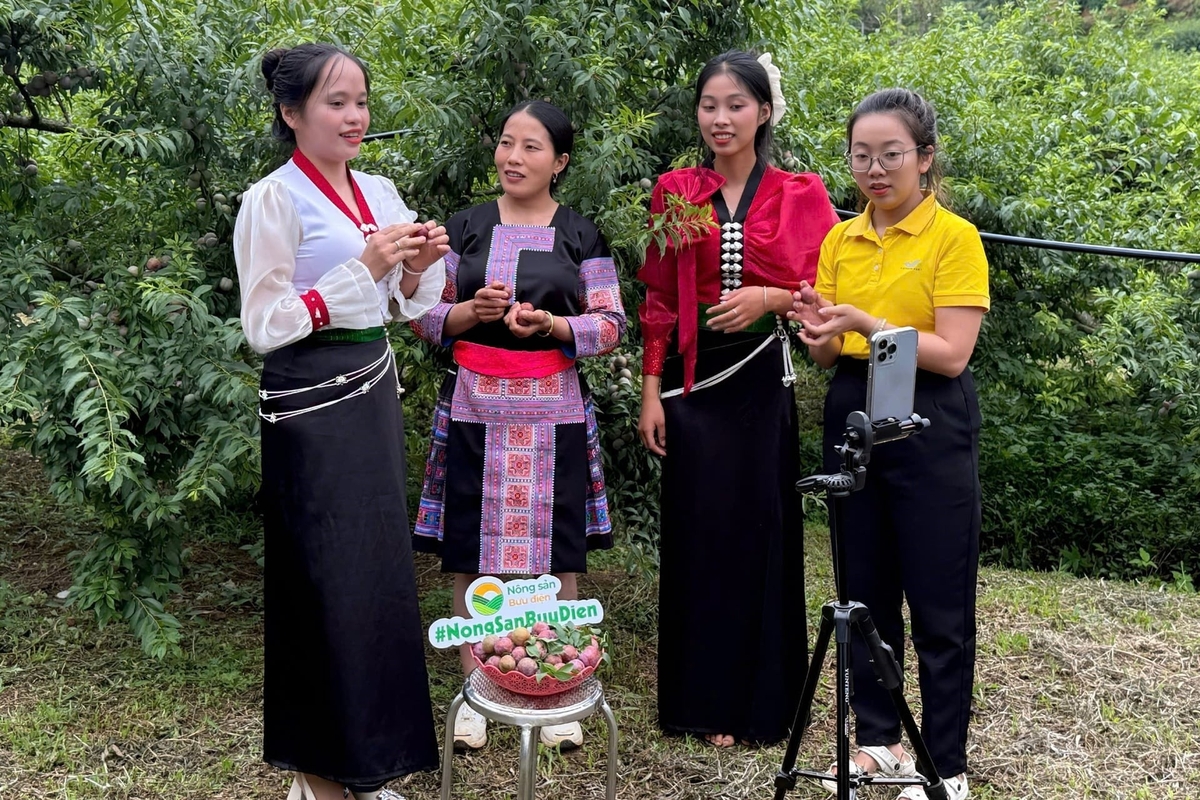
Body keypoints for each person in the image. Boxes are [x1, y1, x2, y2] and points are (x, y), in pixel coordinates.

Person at [233, 43, 448, 800]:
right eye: (336, 102)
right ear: (292, 113)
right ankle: (317, 774)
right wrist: (361, 270)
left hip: (370, 389)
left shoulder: (380, 190)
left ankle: (365, 766)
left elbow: (404, 307)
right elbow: (263, 323)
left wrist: (415, 266)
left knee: (375, 576)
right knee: (319, 577)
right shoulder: (273, 199)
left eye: (360, 101)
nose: (355, 116)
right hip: (307, 401)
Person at [789, 88, 988, 800]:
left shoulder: (953, 237)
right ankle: (878, 740)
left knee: (938, 602)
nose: (875, 170)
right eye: (861, 155)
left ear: (925, 160)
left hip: (930, 416)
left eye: (891, 155)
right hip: (855, 410)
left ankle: (945, 766)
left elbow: (953, 352)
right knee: (863, 589)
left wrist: (867, 322)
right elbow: (827, 352)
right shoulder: (841, 239)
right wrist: (817, 329)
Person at [636, 50, 839, 748]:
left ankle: (760, 706)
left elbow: (825, 294)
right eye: (709, 105)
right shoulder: (674, 188)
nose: (720, 119)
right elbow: (660, 299)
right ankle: (700, 702)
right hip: (693, 381)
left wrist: (770, 297)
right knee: (697, 536)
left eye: (735, 105)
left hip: (757, 378)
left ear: (764, 111)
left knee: (760, 532)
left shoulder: (799, 192)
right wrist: (651, 392)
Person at [410, 99, 626, 752]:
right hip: (474, 402)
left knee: (556, 550)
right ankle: (475, 688)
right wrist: (467, 312)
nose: (514, 157)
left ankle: (555, 683)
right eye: (507, 143)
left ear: (559, 162)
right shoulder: (466, 227)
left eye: (532, 147)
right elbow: (423, 315)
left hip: (552, 408)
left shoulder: (581, 235)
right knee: (471, 544)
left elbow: (610, 323)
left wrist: (556, 326)